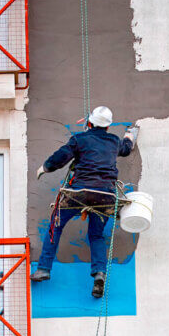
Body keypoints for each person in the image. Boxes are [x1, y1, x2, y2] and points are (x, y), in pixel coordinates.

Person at [30, 106, 135, 298]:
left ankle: (44, 268)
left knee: (56, 223)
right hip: (106, 195)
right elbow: (126, 149)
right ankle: (100, 274)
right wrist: (130, 135)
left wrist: (44, 168)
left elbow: (61, 157)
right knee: (96, 235)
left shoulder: (80, 139)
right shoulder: (113, 141)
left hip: (81, 191)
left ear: (90, 122)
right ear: (108, 126)